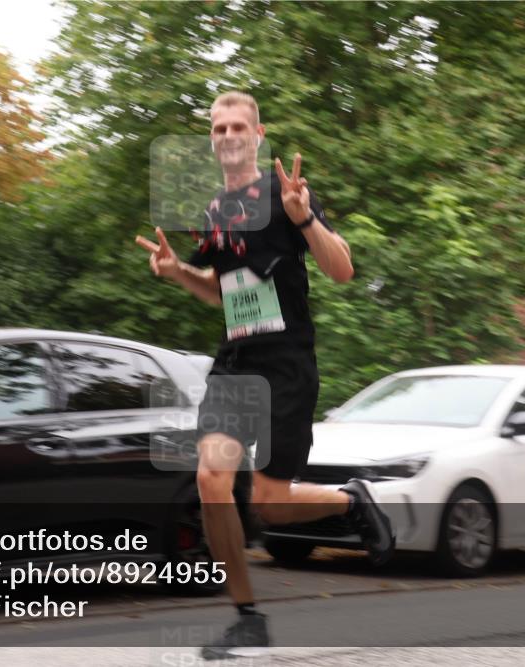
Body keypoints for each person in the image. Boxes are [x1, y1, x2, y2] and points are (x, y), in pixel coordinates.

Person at [135, 91, 394, 660]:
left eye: (238, 126)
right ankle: (247, 618)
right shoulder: (214, 212)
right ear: (212, 139)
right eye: (218, 127)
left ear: (257, 134)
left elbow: (342, 269)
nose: (228, 135)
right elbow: (222, 294)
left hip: (287, 364)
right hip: (235, 364)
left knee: (272, 506)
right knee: (211, 481)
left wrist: (305, 220)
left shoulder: (285, 193)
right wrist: (179, 271)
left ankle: (351, 502)